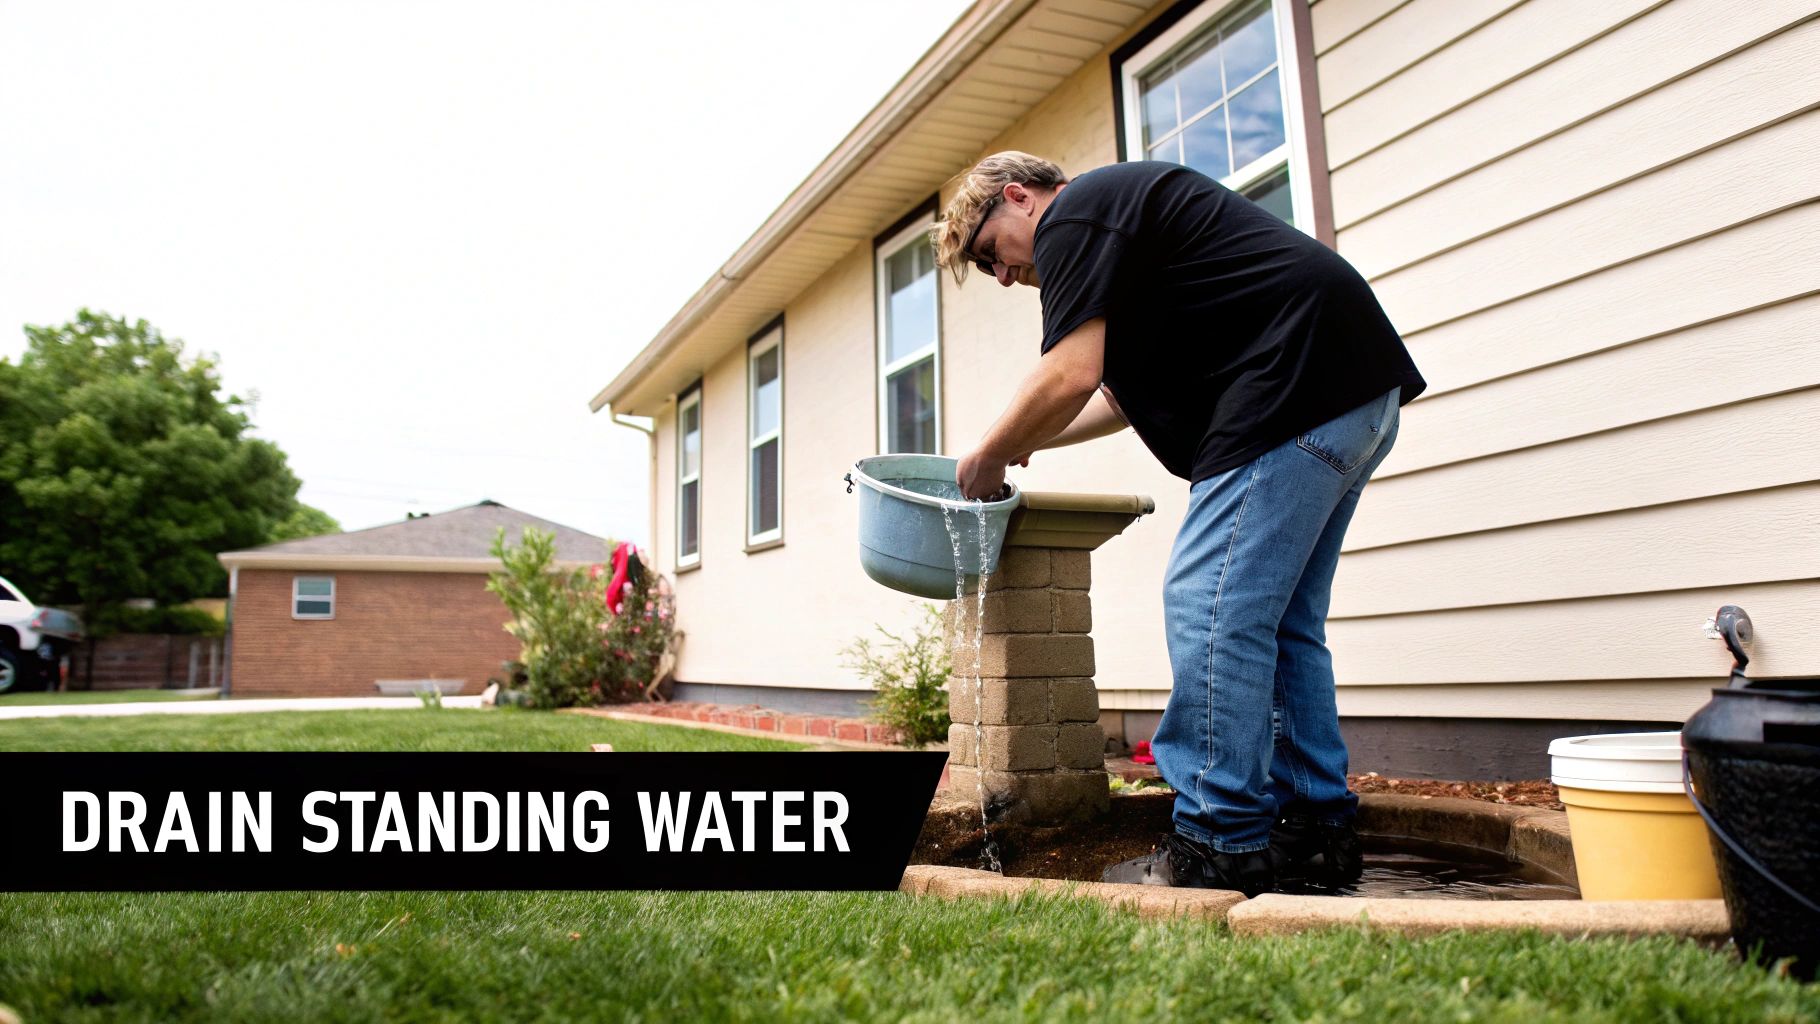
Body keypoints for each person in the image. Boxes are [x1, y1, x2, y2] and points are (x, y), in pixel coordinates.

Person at [934, 152, 1426, 897]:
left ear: (1017, 197)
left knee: (1207, 603)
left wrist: (990, 455)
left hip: (1293, 384)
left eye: (989, 255)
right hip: (1351, 388)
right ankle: (1317, 833)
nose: (1002, 278)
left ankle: (1217, 840)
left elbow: (1067, 374)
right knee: (1282, 621)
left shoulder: (1076, 214)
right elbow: (1112, 395)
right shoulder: (1125, 242)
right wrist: (1025, 440)